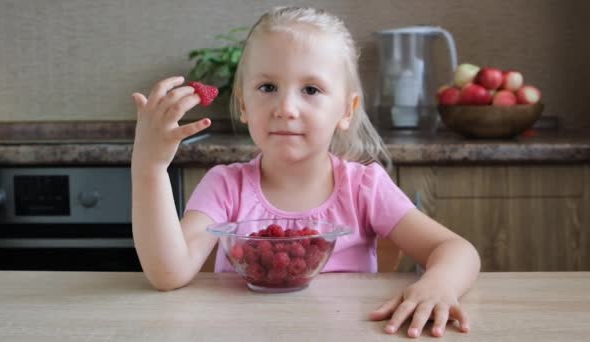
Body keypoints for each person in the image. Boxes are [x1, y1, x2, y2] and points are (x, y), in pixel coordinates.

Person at [131, 6, 480, 339]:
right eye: (267, 87)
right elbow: (167, 273)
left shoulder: (363, 187)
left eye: (311, 90)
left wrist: (440, 283)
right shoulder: (225, 185)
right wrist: (150, 165)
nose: (285, 108)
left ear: (347, 108)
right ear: (243, 104)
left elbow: (455, 248)